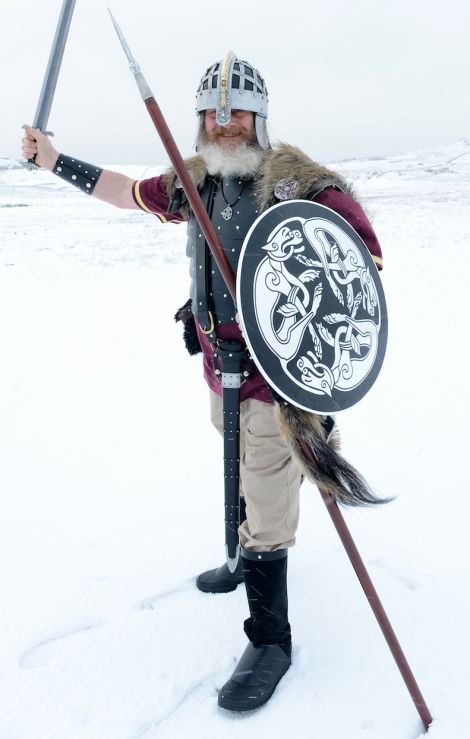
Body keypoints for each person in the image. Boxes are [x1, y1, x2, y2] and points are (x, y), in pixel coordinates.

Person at [22, 51, 383, 712]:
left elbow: (361, 263)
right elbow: (126, 192)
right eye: (213, 113)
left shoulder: (299, 183)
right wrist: (53, 162)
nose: (224, 123)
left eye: (237, 110)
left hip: (278, 386)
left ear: (260, 116)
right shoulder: (194, 182)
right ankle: (244, 555)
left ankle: (271, 638)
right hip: (219, 368)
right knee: (239, 466)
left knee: (266, 497)